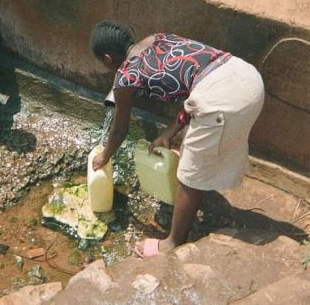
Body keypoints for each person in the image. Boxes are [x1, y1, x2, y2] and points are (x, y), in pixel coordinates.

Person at [90, 19, 265, 257]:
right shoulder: (157, 39)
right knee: (202, 151)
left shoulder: (124, 77)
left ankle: (172, 242)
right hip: (246, 77)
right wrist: (169, 133)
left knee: (189, 175)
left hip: (224, 101)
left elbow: (119, 130)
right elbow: (195, 84)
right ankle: (202, 180)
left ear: (107, 59)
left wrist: (104, 156)